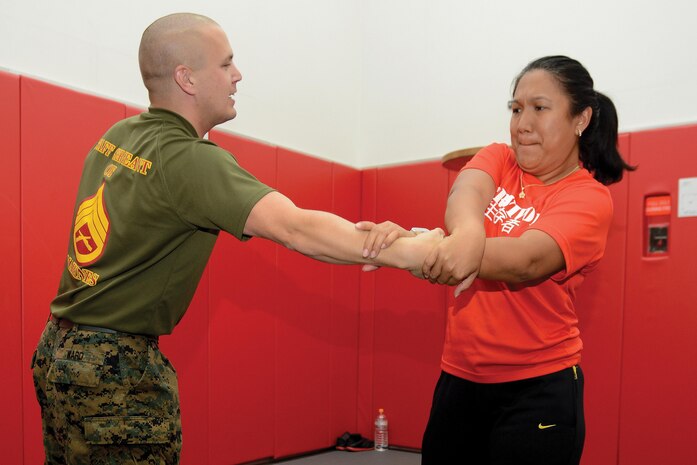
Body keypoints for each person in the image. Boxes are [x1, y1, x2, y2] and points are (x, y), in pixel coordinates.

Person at [30, 13, 441, 465]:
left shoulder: (121, 135)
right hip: (112, 369)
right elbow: (298, 228)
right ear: (186, 78)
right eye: (226, 65)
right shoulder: (190, 160)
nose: (238, 75)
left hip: (60, 352)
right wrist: (416, 253)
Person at [359, 55, 635, 464]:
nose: (522, 123)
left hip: (538, 388)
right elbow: (465, 195)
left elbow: (525, 260)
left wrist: (418, 248)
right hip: (460, 378)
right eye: (516, 108)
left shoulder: (589, 198)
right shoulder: (499, 157)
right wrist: (463, 237)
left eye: (540, 108)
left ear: (581, 119)